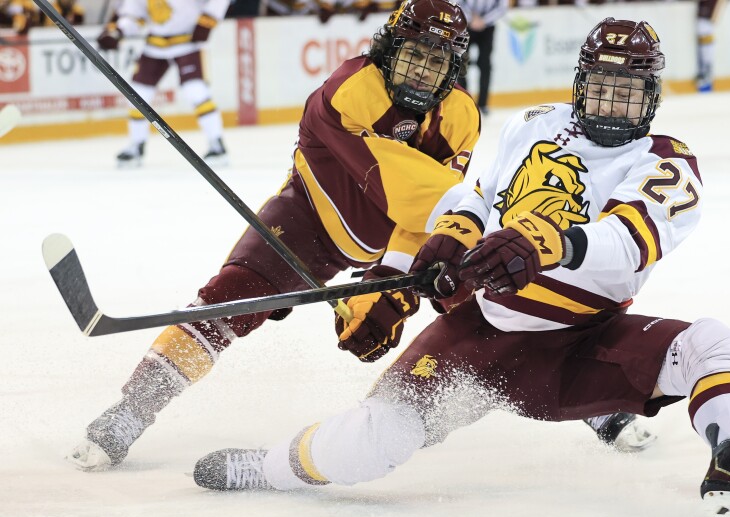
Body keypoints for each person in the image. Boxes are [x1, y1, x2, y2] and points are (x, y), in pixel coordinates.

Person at [193, 18, 730, 517]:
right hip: (481, 336)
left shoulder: (665, 162)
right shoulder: (535, 123)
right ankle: (267, 468)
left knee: (714, 345)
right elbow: (479, 194)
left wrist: (550, 242)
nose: (611, 101)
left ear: (651, 96)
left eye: (627, 90)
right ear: (580, 82)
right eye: (601, 85)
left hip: (581, 345)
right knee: (373, 442)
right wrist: (450, 238)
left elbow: (630, 240)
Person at [68, 0, 646, 472]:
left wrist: (392, 281)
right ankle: (131, 410)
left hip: (394, 232)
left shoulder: (459, 115)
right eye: (415, 55)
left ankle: (589, 400)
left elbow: (427, 213)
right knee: (229, 299)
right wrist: (396, 279)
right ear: (391, 50)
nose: (423, 72)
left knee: (500, 290)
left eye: (437, 62)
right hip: (312, 220)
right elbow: (401, 187)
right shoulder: (351, 89)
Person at [95, 0, 231, 167]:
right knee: (137, 95)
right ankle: (136, 146)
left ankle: (217, 144)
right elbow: (134, 13)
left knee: (196, 91)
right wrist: (117, 31)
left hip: (188, 42)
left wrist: (209, 19)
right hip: (156, 44)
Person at [454, 0, 506, 115]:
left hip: (487, 27)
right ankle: (464, 101)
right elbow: (458, 3)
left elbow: (502, 7)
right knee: (461, 63)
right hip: (466, 25)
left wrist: (484, 21)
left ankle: (483, 104)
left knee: (485, 65)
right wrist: (471, 18)